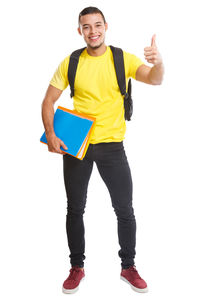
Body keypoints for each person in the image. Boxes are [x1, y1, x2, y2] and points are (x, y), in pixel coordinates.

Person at [41, 6, 164, 294]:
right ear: (79, 30)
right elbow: (48, 101)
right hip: (77, 146)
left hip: (112, 146)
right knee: (75, 209)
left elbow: (156, 79)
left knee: (125, 210)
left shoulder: (122, 59)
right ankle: (76, 267)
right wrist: (50, 133)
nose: (93, 31)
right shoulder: (71, 62)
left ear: (106, 27)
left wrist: (159, 62)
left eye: (97, 25)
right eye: (86, 26)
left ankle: (128, 266)